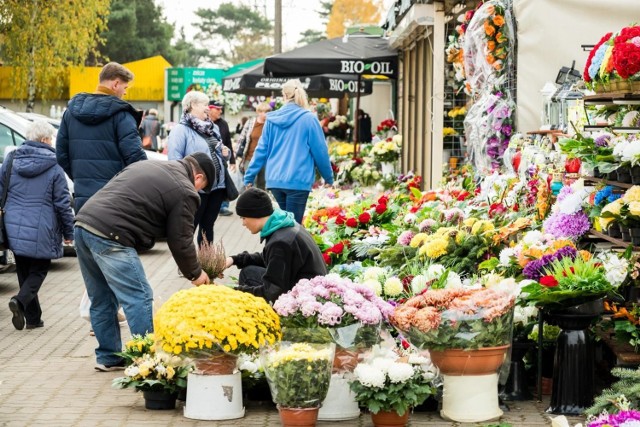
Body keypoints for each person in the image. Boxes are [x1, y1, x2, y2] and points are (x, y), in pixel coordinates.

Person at [74, 153, 215, 371]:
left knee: (101, 297)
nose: (198, 193)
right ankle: (149, 360)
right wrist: (196, 274)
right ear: (197, 178)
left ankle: (108, 357)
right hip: (112, 235)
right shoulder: (185, 191)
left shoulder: (148, 165)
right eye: (201, 188)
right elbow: (180, 241)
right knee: (138, 297)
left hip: (83, 225)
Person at [4, 120, 75, 331]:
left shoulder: (11, 158)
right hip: (42, 226)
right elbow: (63, 203)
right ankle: (20, 301)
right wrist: (68, 232)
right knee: (39, 269)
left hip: (13, 224)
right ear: (44, 139)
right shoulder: (54, 165)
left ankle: (34, 319)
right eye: (51, 138)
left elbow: (1, 189)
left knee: (24, 271)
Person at [56, 62, 147, 212]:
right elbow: (136, 157)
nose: (125, 93)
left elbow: (61, 155)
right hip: (115, 200)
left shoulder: (70, 113)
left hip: (82, 200)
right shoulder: (122, 115)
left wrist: (81, 179)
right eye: (125, 87)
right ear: (116, 84)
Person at [243, 79, 334, 223]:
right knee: (293, 227)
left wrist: (249, 177)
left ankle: (279, 245)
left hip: (275, 180)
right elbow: (320, 152)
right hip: (298, 180)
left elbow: (261, 150)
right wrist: (328, 177)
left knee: (284, 225)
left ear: (284, 97)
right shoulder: (309, 119)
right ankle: (283, 246)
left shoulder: (271, 120)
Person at [223, 188, 327, 303]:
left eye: (243, 218)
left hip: (305, 297)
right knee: (248, 272)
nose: (243, 223)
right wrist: (234, 259)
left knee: (248, 277)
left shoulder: (280, 242)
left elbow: (272, 292)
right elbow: (268, 258)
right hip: (304, 283)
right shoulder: (284, 224)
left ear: (255, 214)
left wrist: (233, 292)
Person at [168, 91, 230, 246]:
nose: (207, 108)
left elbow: (219, 150)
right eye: (204, 104)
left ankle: (206, 265)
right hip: (195, 189)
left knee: (208, 227)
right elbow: (174, 161)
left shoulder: (213, 128)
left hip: (217, 187)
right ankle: (188, 267)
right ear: (192, 105)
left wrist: (226, 153)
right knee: (190, 228)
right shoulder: (180, 130)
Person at [208, 100, 235, 216]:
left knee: (224, 181)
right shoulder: (202, 123)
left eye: (221, 109)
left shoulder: (223, 124)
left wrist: (232, 161)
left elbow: (228, 143)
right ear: (210, 109)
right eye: (217, 109)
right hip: (207, 160)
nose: (221, 111)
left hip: (221, 159)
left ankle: (223, 206)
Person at [236, 102, 271, 190]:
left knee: (262, 184)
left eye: (267, 111)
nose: (265, 114)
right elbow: (242, 138)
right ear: (258, 112)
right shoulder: (251, 122)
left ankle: (262, 202)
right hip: (250, 158)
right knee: (249, 183)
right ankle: (249, 202)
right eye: (263, 111)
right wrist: (237, 153)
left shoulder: (270, 124)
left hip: (265, 159)